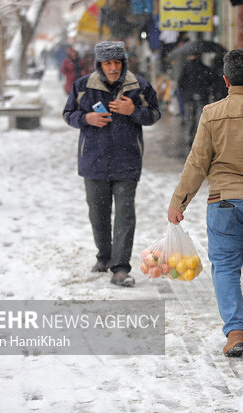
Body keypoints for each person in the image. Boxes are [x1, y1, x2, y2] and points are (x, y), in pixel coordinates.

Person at [167, 49, 243, 357]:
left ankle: (235, 331)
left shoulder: (212, 113)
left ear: (225, 80)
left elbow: (197, 162)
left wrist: (179, 202)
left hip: (223, 203)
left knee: (224, 267)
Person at [63, 41, 161, 287]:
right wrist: (86, 118)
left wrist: (133, 111)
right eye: (108, 63)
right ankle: (104, 256)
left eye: (117, 62)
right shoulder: (83, 86)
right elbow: (68, 114)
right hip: (93, 162)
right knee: (98, 214)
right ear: (100, 65)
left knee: (125, 215)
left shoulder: (139, 86)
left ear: (124, 62)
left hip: (127, 162)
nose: (114, 67)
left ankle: (120, 267)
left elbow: (155, 114)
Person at [177, 53, 219, 148]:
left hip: (189, 97)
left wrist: (185, 93)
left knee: (190, 118)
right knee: (201, 118)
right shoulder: (205, 68)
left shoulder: (185, 67)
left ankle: (189, 137)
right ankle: (200, 138)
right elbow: (211, 81)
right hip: (202, 96)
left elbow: (180, 82)